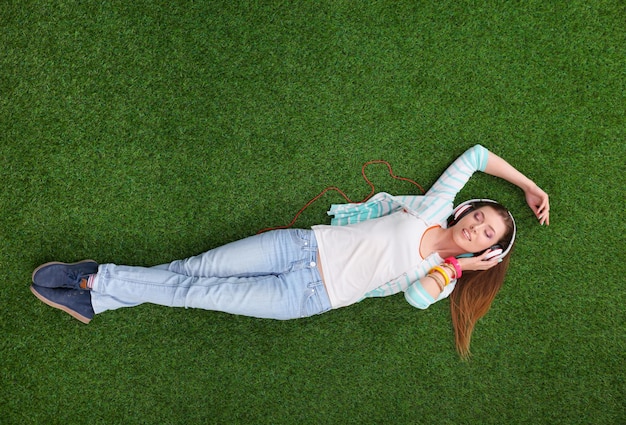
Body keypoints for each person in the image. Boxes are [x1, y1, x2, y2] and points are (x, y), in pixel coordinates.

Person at [30, 145, 549, 357]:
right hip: (297, 247)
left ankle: (97, 281)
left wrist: (459, 267)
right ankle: (97, 299)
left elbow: (416, 300)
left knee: (192, 292)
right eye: (479, 217)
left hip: (306, 296)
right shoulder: (434, 205)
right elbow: (478, 155)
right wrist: (528, 187)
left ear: (489, 254)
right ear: (464, 211)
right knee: (190, 270)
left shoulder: (444, 274)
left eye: (487, 237)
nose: (478, 229)